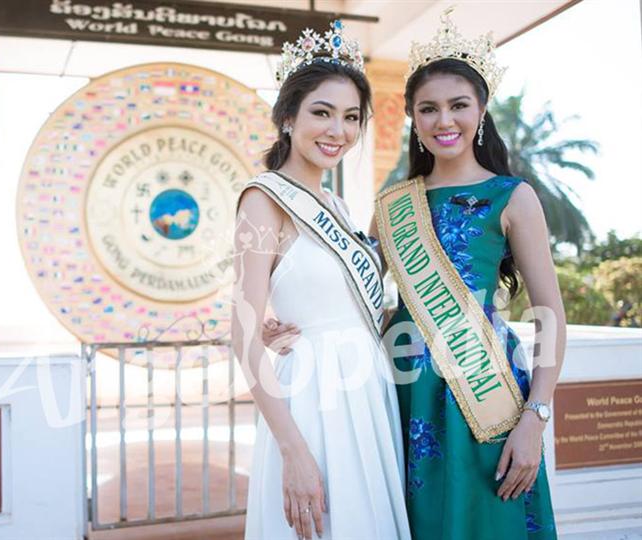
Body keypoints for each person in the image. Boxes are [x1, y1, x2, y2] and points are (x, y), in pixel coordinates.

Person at [264, 10, 562, 539]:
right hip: (402, 396)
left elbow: (551, 316)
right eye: (429, 109)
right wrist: (286, 324)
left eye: (458, 106)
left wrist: (535, 419)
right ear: (413, 118)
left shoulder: (512, 197)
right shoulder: (392, 205)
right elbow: (353, 294)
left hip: (485, 395)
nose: (444, 120)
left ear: (481, 111)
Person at [232, 21, 410, 540]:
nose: (338, 130)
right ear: (287, 118)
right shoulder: (263, 202)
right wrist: (292, 449)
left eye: (351, 117)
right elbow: (242, 337)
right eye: (322, 112)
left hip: (366, 391)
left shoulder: (337, 205)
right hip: (312, 402)